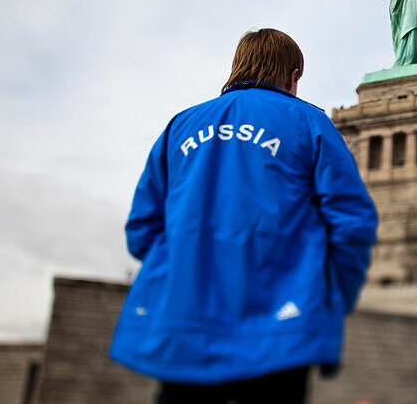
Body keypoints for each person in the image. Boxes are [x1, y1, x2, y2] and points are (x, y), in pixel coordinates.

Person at [110, 29, 378, 404]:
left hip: (185, 330)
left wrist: (186, 271)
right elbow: (352, 224)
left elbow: (141, 229)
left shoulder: (180, 126)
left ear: (237, 67)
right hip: (279, 335)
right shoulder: (310, 125)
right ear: (294, 76)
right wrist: (334, 296)